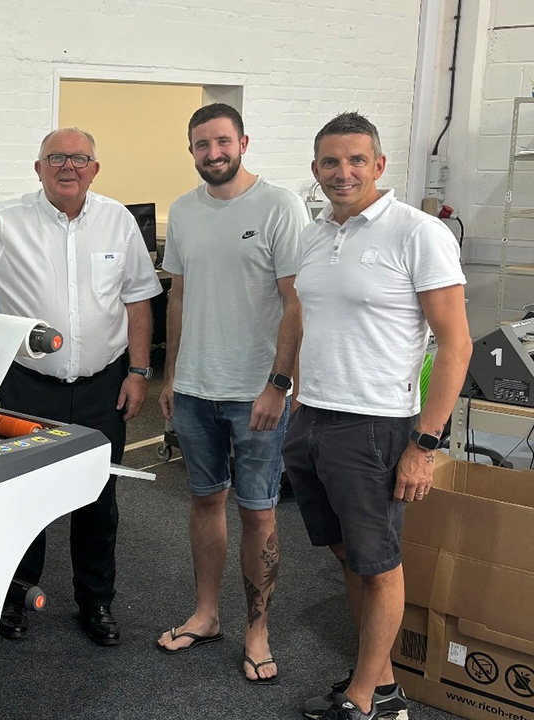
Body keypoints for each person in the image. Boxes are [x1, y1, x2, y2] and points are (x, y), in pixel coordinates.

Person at [285, 112, 471, 720]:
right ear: (316, 170)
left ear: (379, 165)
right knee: (347, 555)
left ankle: (365, 701)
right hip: (312, 416)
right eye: (331, 162)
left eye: (356, 160)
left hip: (376, 425)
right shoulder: (315, 235)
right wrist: (282, 387)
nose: (344, 173)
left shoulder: (417, 232)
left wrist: (424, 443)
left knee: (381, 564)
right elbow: (304, 319)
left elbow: (456, 344)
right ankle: (383, 683)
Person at [0, 128, 162, 646]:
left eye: (80, 158)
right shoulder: (4, 222)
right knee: (21, 497)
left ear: (95, 168)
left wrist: (140, 373)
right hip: (29, 387)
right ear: (38, 169)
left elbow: (139, 300)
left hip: (104, 386)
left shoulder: (118, 221)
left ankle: (95, 603)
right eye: (56, 158)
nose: (68, 166)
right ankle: (13, 599)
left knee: (99, 500)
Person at [154, 104, 307, 687]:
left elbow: (296, 303)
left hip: (257, 394)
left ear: (243, 141)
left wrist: (278, 384)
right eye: (201, 145)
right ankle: (207, 615)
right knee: (204, 501)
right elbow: (178, 299)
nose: (212, 153)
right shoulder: (184, 211)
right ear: (190, 149)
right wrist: (172, 378)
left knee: (259, 511)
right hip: (194, 389)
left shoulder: (278, 206)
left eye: (222, 142)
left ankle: (257, 631)